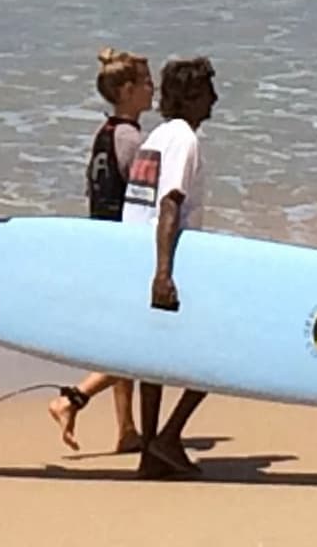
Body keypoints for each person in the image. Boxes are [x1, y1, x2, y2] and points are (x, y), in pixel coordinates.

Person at [47, 49, 152, 453]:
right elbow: (146, 199)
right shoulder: (132, 139)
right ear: (126, 91)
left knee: (121, 338)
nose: (152, 90)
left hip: (102, 245)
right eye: (145, 84)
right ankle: (72, 398)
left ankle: (127, 429)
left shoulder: (105, 134)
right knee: (140, 346)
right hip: (126, 251)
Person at [123, 55, 219, 479]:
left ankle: (150, 451)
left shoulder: (157, 136)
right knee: (220, 352)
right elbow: (169, 204)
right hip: (168, 261)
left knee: (153, 360)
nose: (215, 98)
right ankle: (167, 437)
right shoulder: (183, 139)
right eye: (210, 90)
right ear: (194, 95)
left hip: (137, 256)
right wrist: (164, 274)